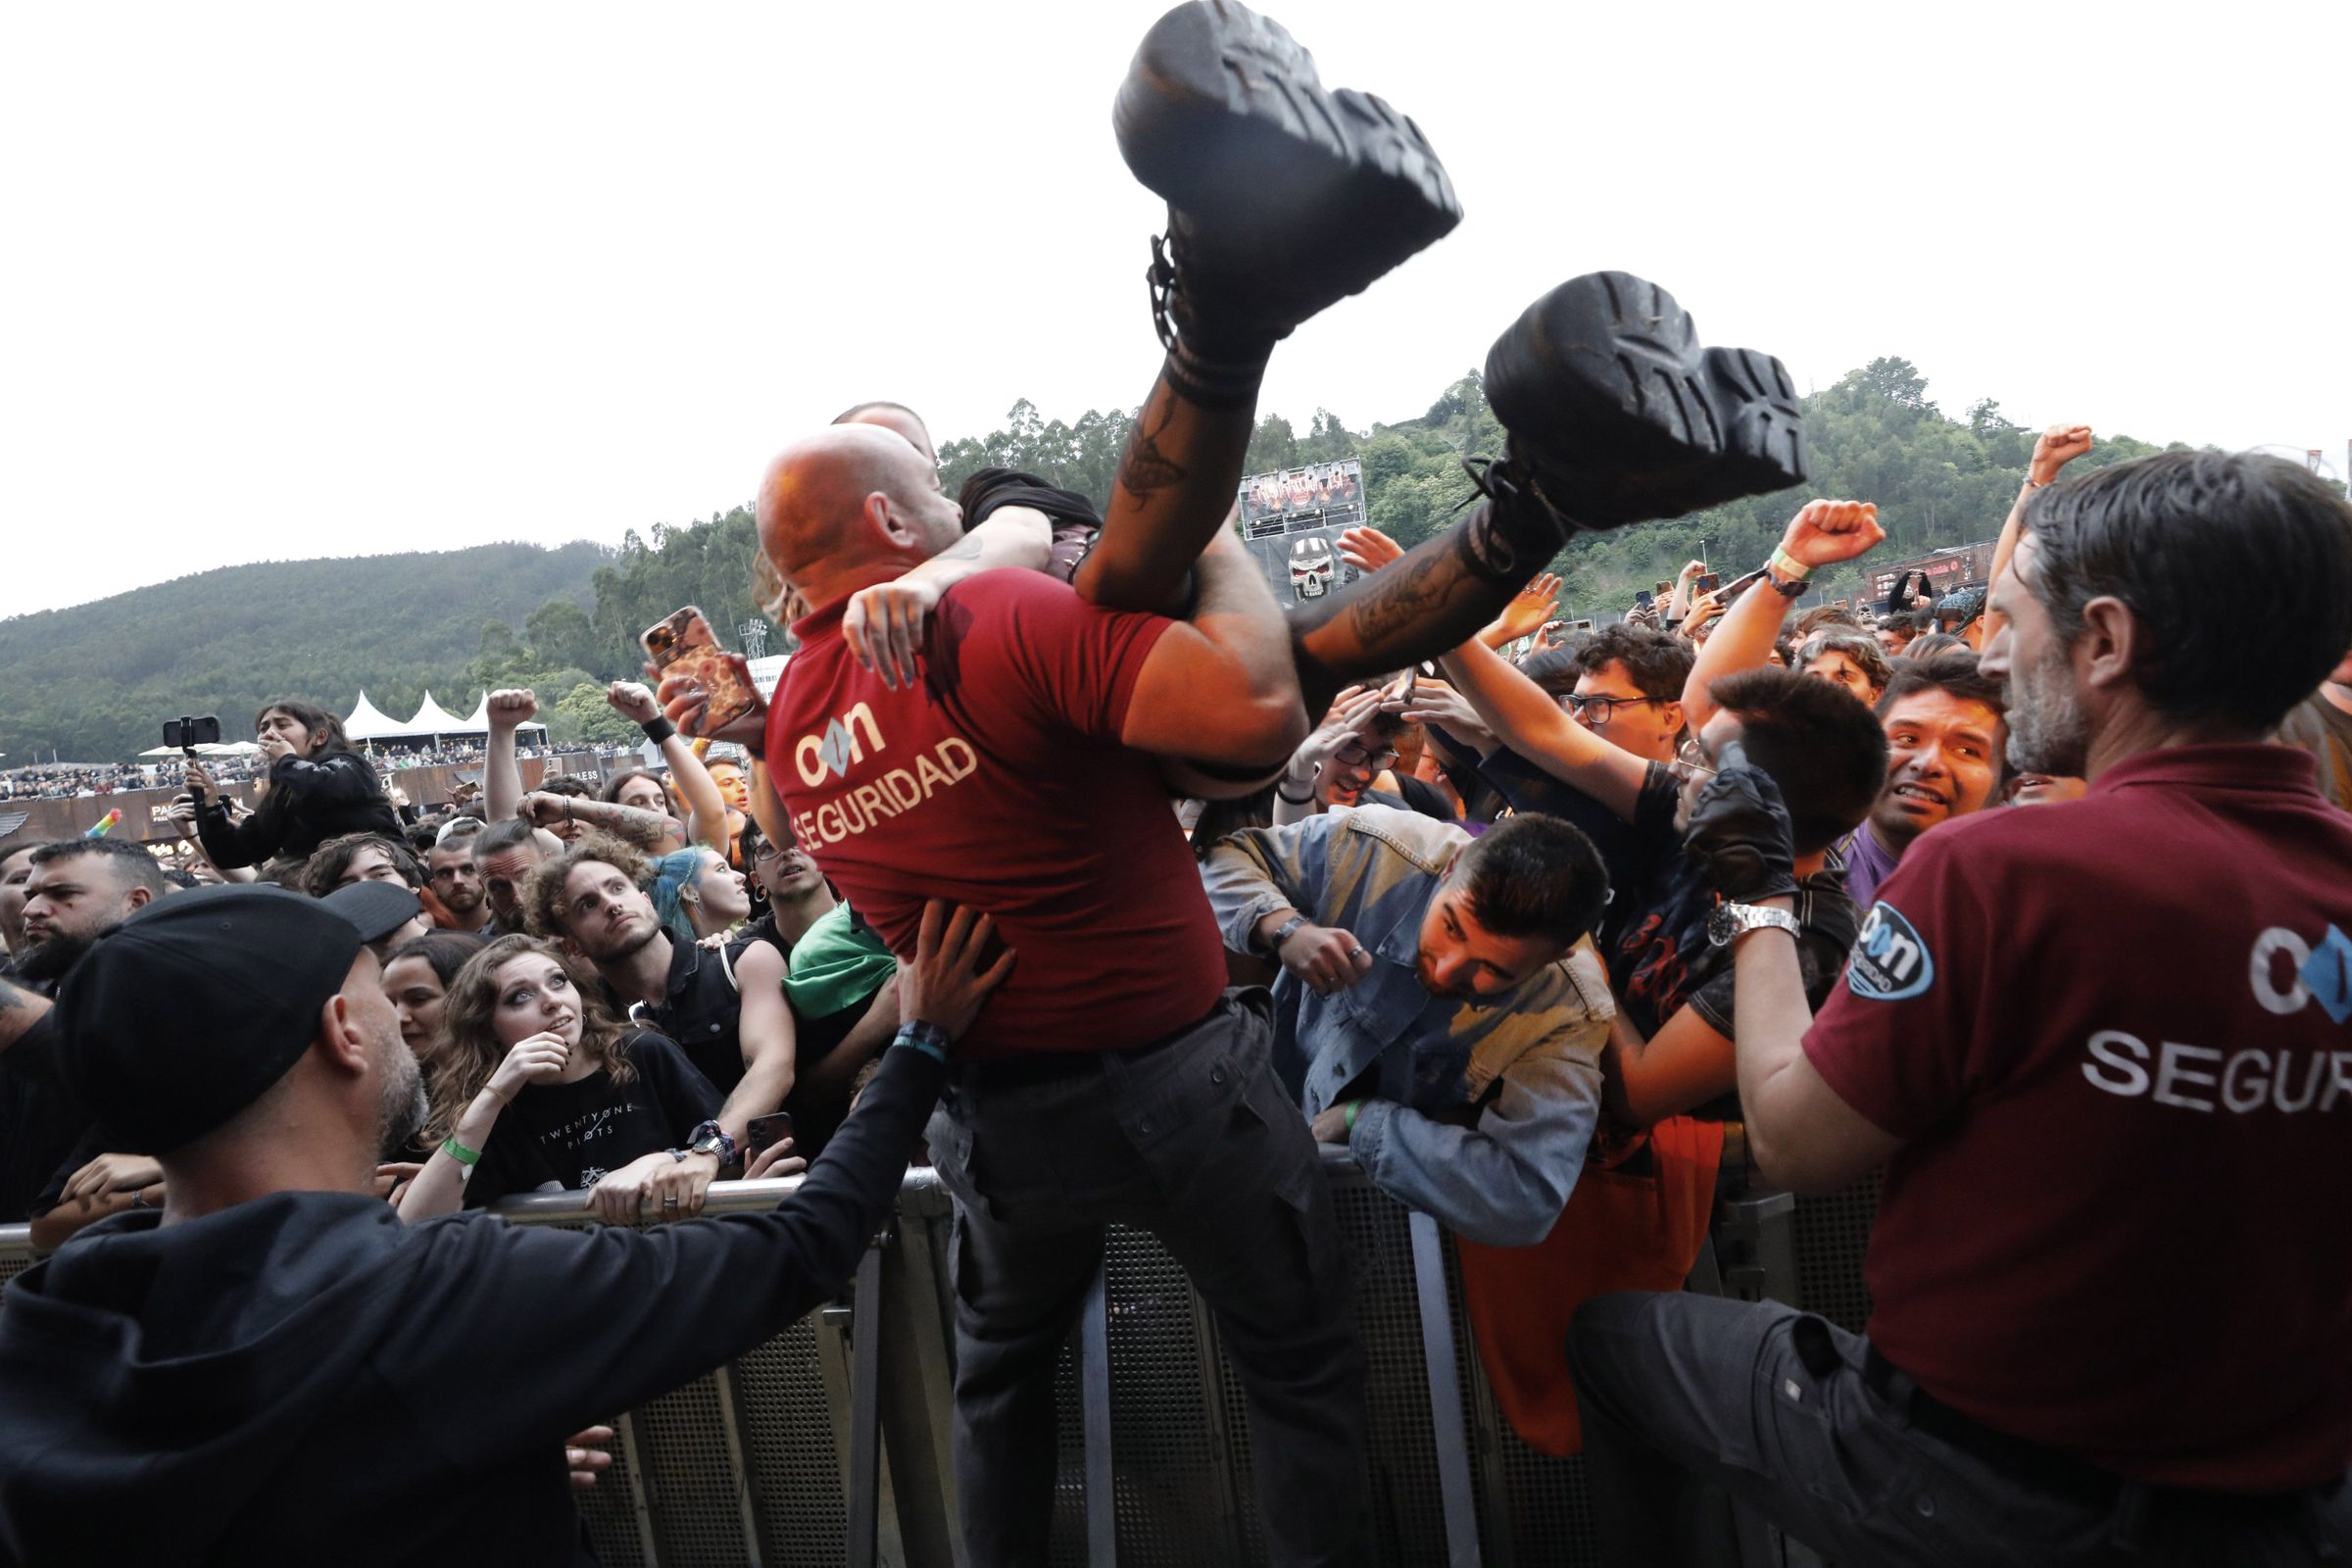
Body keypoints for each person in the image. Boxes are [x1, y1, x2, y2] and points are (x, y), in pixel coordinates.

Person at [1570, 448, 2352, 1564]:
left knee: (1609, 1341)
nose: (1992, 649)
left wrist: (1755, 897)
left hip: (1972, 1476)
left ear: (2111, 644)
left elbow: (1795, 1137)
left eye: (2016, 619)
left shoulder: (1999, 872)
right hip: (2289, 1503)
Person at [0, 883, 1001, 1563]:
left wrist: (445, 1447)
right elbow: (800, 1244)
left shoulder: (49, 1318)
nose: (401, 1017)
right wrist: (918, 1039)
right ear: (344, 1034)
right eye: (372, 989)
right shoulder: (435, 1299)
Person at [1200, 808, 1613, 1244]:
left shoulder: (1568, 1013)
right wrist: (1284, 929)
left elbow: (1524, 1202)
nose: (1447, 970)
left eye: (1493, 969)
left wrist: (1364, 1121)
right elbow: (1221, 860)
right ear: (1451, 868)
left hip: (1377, 1215)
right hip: (1247, 1113)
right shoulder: (1375, 848)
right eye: (1451, 926)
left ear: (1557, 956)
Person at [524, 835, 812, 1195]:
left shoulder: (739, 963)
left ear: (646, 899)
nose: (612, 905)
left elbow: (772, 1067)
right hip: (673, 1218)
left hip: (784, 1187)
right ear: (571, 944)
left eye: (617, 888)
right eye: (587, 905)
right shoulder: (592, 1023)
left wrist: (708, 1151)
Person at [394, 932, 734, 1220]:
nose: (552, 1001)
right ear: (487, 1028)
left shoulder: (642, 1052)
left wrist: (665, 1160)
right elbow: (414, 1223)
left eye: (558, 981)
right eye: (520, 997)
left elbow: (732, 1153)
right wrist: (492, 1096)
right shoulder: (495, 1109)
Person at [1836, 653, 2008, 909]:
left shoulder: (2022, 894)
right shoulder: (1809, 854)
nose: (1927, 764)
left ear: (2006, 783)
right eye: (1907, 739)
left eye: (1966, 751)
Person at [188, 699, 403, 869]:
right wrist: (210, 805)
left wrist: (286, 761)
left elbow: (323, 789)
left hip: (388, 872)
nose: (269, 733)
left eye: (282, 725)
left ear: (319, 737)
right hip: (328, 891)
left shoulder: (350, 764)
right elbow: (234, 854)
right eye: (263, 728)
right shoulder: (283, 792)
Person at [300, 831, 438, 951]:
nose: (367, 888)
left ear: (411, 885)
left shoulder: (457, 952)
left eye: (381, 875)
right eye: (348, 884)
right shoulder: (336, 972)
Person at [424, 822, 492, 933]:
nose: (457, 881)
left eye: (469, 870)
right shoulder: (426, 939)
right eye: (445, 874)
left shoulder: (513, 929)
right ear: (434, 887)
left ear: (485, 876)